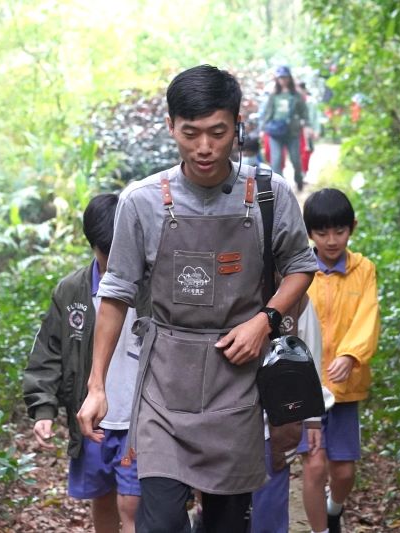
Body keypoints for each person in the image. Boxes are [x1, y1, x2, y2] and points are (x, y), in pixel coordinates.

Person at [77, 64, 317, 533]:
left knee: (227, 522)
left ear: (237, 125)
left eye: (217, 132)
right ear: (171, 127)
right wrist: (97, 385)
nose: (204, 147)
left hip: (239, 381)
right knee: (160, 522)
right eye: (190, 133)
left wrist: (263, 322)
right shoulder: (141, 202)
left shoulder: (268, 194)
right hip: (165, 384)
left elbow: (300, 267)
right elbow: (116, 293)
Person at [23, 193, 143, 533]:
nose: (117, 261)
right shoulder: (72, 291)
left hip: (138, 419)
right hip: (92, 421)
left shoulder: (150, 287)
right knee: (102, 497)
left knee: (132, 502)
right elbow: (47, 353)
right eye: (109, 254)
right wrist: (43, 410)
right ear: (94, 245)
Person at [298, 188, 380, 533]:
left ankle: (334, 508)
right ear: (309, 233)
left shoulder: (363, 270)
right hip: (307, 388)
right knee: (314, 467)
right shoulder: (298, 270)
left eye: (339, 231)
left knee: (344, 472)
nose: (331, 240)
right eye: (322, 232)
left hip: (345, 388)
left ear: (353, 228)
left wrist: (351, 355)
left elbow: (368, 316)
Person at [250, 296, 334, 533]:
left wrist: (313, 419)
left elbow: (309, 355)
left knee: (269, 509)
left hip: (276, 424)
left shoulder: (297, 300)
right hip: (226, 420)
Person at [261, 65, 309, 191]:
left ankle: (299, 180)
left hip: (292, 132)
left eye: (285, 77)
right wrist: (263, 128)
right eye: (280, 77)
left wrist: (307, 125)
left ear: (289, 78)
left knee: (295, 160)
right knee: (275, 161)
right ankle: (280, 188)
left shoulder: (296, 95)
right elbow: (268, 112)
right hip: (275, 132)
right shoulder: (274, 95)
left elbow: (304, 112)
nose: (282, 80)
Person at [297, 82, 320, 177]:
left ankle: (304, 172)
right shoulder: (294, 101)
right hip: (296, 130)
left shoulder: (311, 102)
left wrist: (316, 130)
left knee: (308, 150)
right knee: (298, 152)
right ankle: (300, 173)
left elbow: (315, 117)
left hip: (308, 130)